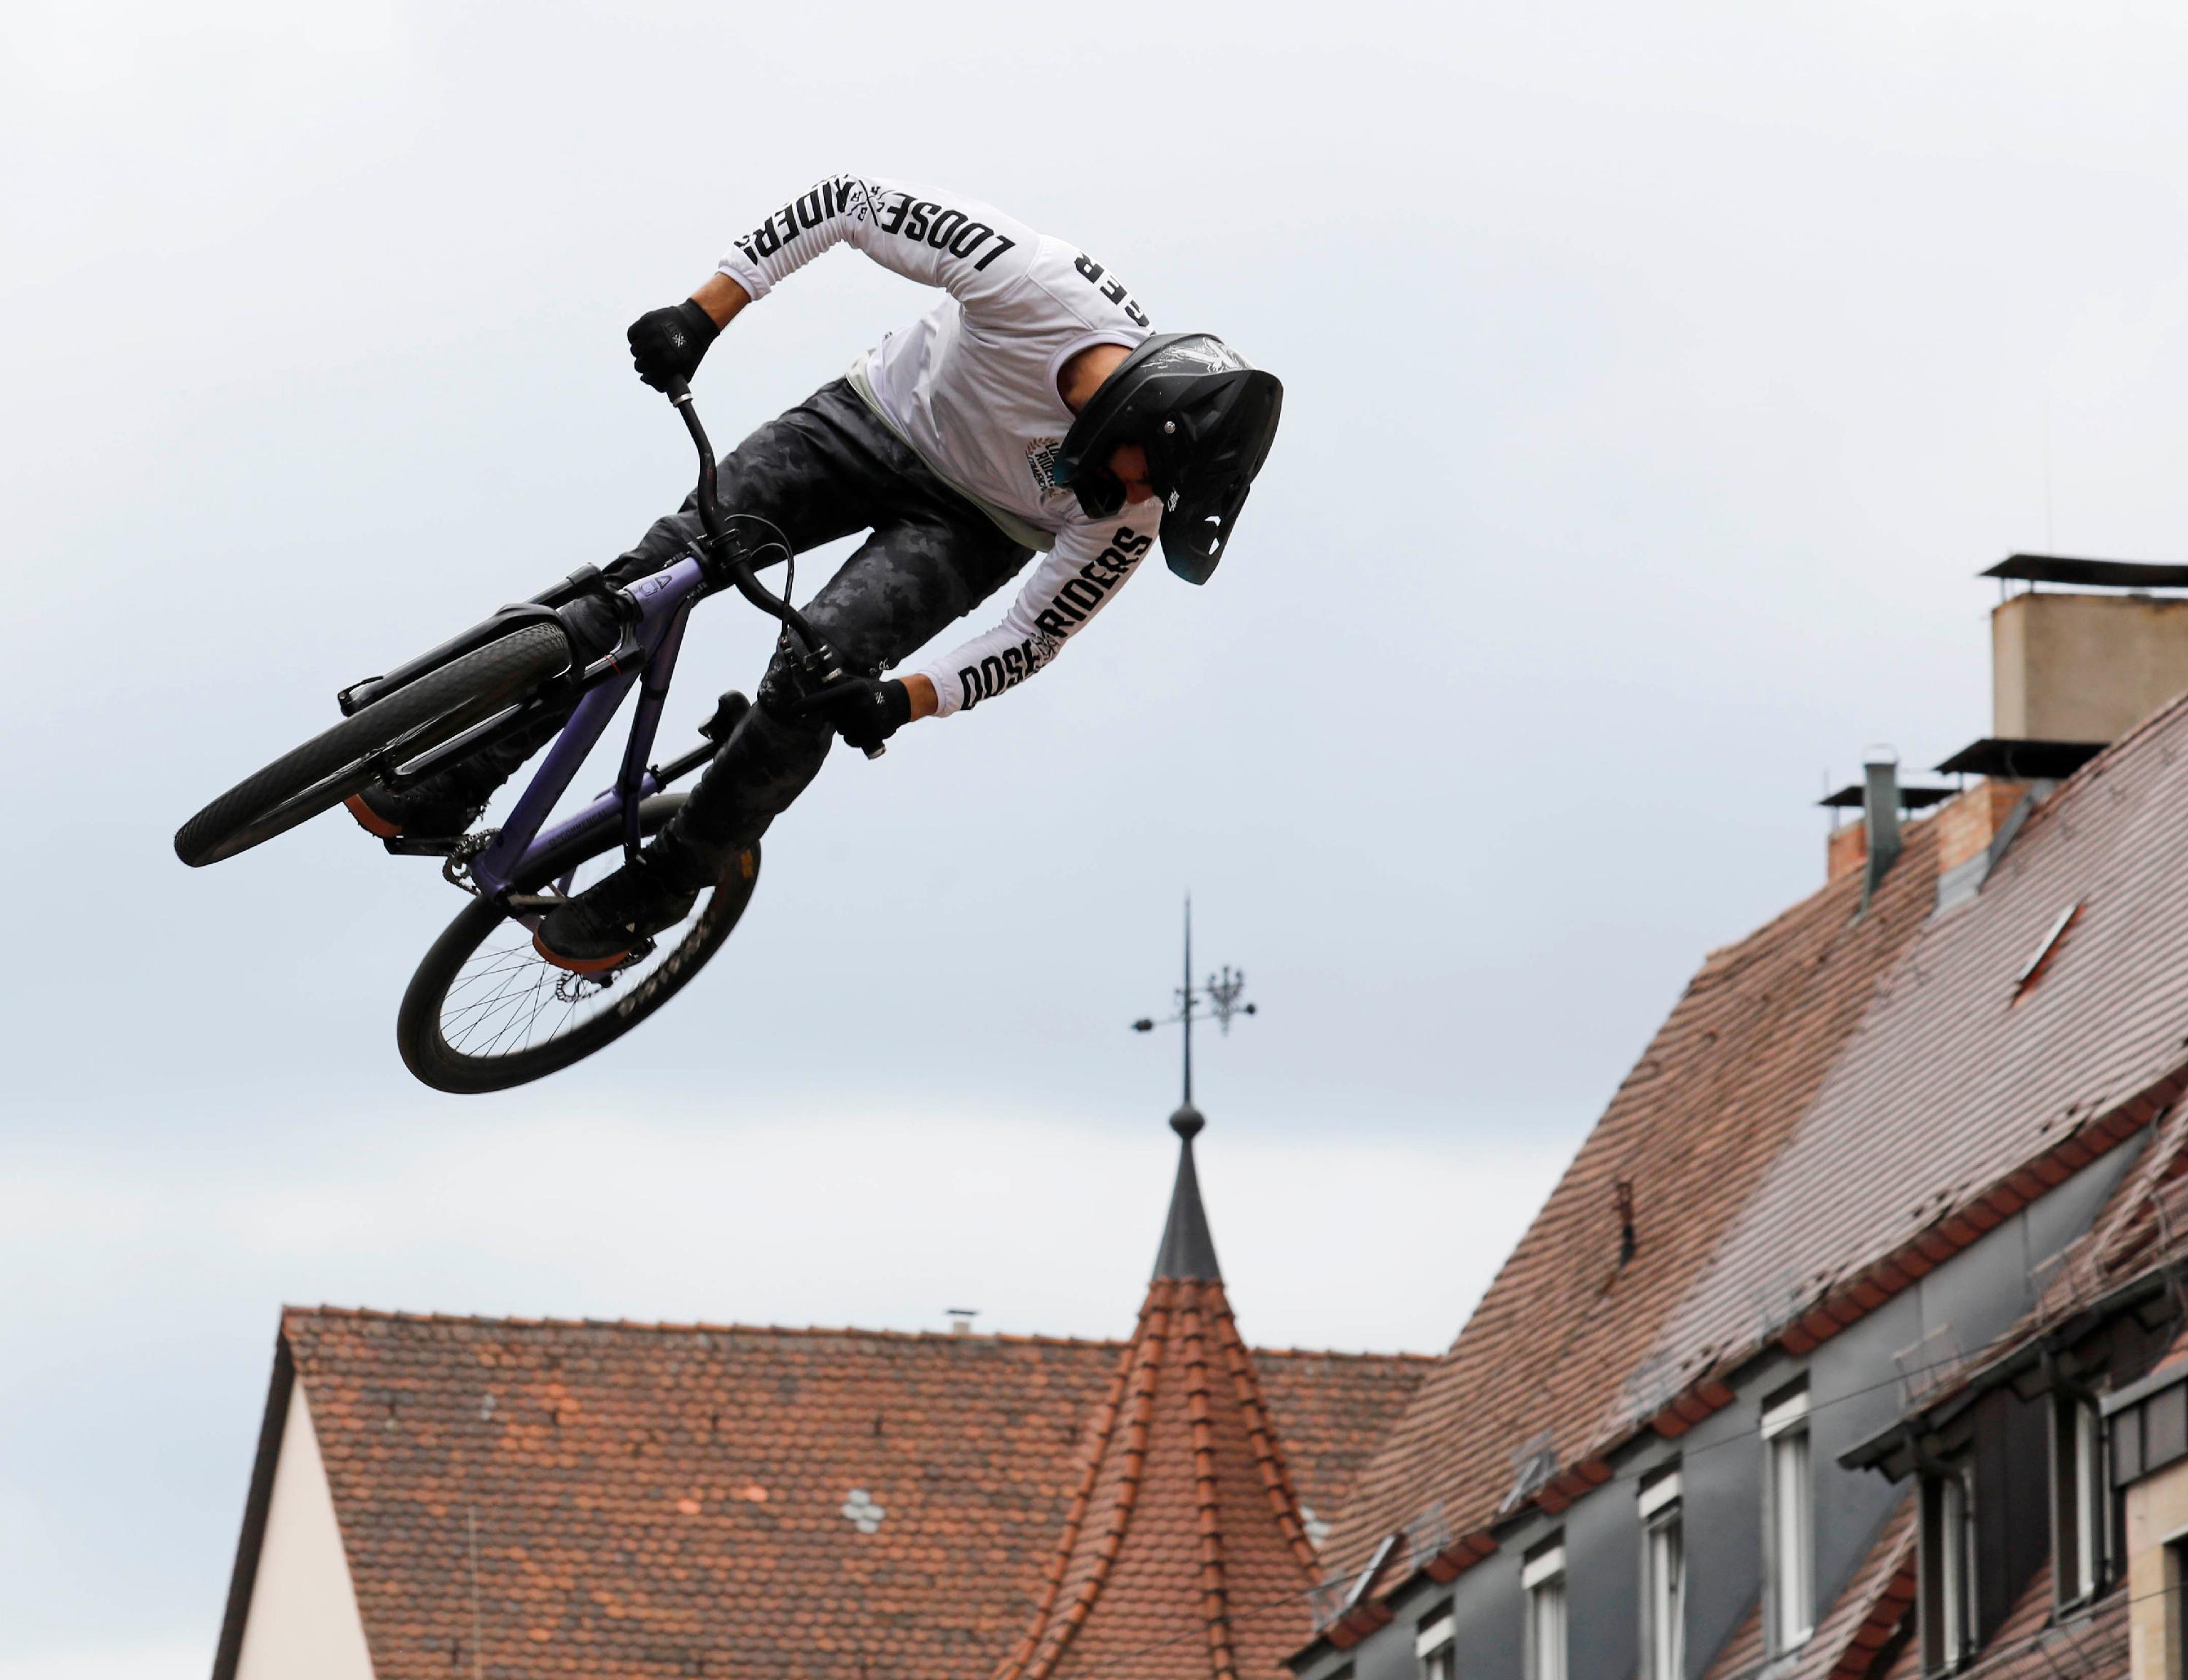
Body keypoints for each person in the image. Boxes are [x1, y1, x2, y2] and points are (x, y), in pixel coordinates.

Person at [347, 174, 1283, 972]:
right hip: (867, 422)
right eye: (1144, 477)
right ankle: (455, 775)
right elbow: (850, 202)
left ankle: (668, 881)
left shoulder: (1137, 510)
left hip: (970, 530)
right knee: (651, 579)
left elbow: (1036, 636)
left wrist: (906, 700)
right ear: (1141, 418)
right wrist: (704, 312)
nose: (1133, 503)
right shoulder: (1035, 283)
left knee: (817, 678)